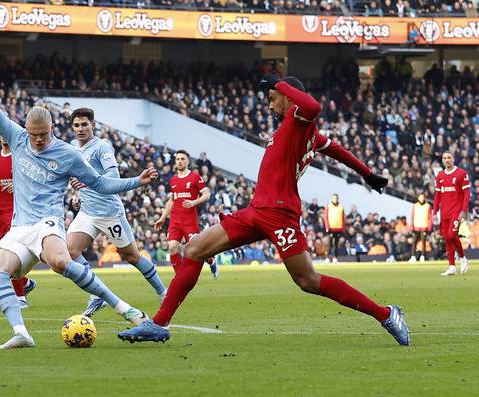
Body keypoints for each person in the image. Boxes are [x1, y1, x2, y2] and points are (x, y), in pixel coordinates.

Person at [118, 72, 410, 346]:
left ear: (288, 97)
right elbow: (336, 149)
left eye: (273, 99)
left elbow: (313, 105)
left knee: (307, 280)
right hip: (257, 210)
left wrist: (278, 83)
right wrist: (366, 173)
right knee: (194, 249)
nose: (270, 105)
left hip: (280, 214)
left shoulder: (300, 119)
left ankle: (385, 314)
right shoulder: (304, 132)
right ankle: (160, 323)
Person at [0, 39, 157, 349]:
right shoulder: (16, 136)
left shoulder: (68, 154)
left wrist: (137, 181)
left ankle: (125, 309)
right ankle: (21, 333)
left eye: (43, 135)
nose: (37, 141)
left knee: (61, 263)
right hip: (20, 227)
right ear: (25, 129)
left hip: (48, 222)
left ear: (53, 128)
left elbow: (101, 185)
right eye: (33, 135)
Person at [66, 107, 166, 317]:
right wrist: (78, 196)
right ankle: (96, 295)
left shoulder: (103, 148)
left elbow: (112, 180)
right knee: (69, 252)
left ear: (93, 125)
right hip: (87, 213)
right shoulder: (73, 149)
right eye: (76, 125)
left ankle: (162, 291)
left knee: (132, 257)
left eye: (85, 124)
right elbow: (79, 182)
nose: (80, 129)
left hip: (109, 212)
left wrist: (86, 182)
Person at [0, 133, 37, 309]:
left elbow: (32, 183)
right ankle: (25, 283)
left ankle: (20, 297)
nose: (4, 137)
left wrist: (17, 185)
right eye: (0, 134)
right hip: (0, 215)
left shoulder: (21, 156)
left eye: (6, 133)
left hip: (17, 214)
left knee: (11, 255)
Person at [154, 150, 218, 278]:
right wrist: (162, 217)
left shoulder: (194, 177)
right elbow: (172, 200)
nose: (180, 161)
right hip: (175, 221)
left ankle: (211, 260)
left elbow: (207, 195)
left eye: (182, 159)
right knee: (172, 247)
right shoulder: (173, 180)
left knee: (198, 249)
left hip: (190, 221)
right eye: (177, 159)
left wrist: (194, 202)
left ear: (188, 161)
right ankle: (180, 278)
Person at [433, 152, 470, 276]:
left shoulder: (461, 174)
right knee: (447, 238)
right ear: (442, 161)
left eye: (449, 158)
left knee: (452, 235)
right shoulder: (440, 176)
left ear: (453, 159)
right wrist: (434, 211)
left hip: (457, 211)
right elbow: (437, 195)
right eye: (444, 158)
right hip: (444, 212)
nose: (447, 160)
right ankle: (452, 267)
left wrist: (464, 210)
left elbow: (467, 194)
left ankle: (462, 257)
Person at [408, 193, 432, 262]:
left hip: (424, 226)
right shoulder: (415, 206)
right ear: (418, 198)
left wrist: (429, 227)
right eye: (420, 197)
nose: (421, 199)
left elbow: (430, 217)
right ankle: (413, 256)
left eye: (423, 197)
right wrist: (412, 226)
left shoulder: (428, 206)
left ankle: (423, 256)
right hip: (416, 226)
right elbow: (412, 216)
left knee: (423, 242)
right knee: (414, 242)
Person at [324, 193, 344, 263]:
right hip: (331, 228)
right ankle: (327, 258)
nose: (335, 199)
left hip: (338, 228)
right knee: (329, 244)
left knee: (336, 244)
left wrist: (342, 228)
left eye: (336, 198)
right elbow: (326, 217)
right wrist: (327, 226)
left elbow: (343, 218)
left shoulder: (341, 207)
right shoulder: (328, 206)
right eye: (334, 198)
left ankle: (335, 258)